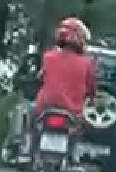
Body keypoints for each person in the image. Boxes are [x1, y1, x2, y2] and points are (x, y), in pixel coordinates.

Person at [31, 17, 97, 164]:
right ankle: (73, 156)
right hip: (72, 110)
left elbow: (40, 77)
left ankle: (31, 151)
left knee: (32, 123)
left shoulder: (48, 57)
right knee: (79, 130)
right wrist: (92, 99)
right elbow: (91, 86)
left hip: (45, 106)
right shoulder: (86, 64)